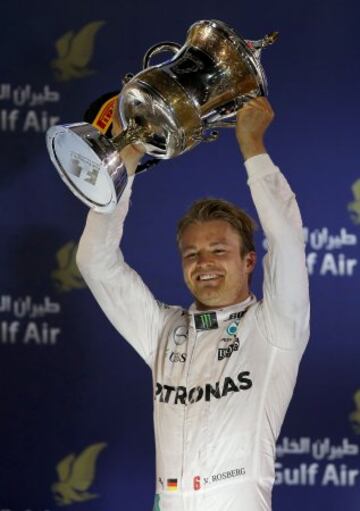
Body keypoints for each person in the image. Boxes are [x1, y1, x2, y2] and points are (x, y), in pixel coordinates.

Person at [77, 96, 310, 511]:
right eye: (191, 253)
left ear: (249, 260)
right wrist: (123, 165)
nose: (203, 263)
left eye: (219, 250)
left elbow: (288, 243)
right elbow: (95, 262)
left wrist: (252, 148)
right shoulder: (164, 330)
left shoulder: (275, 328)